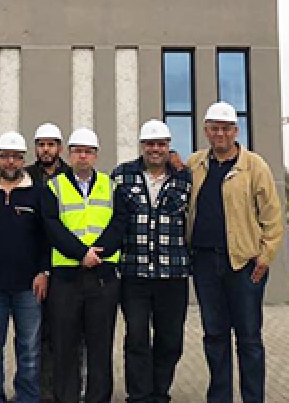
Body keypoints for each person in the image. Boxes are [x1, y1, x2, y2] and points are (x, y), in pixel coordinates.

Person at [185, 101, 283, 403]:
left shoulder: (254, 166)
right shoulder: (195, 164)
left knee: (249, 338)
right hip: (204, 262)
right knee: (214, 337)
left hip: (243, 265)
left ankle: (253, 398)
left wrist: (265, 257)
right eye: (214, 129)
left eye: (226, 129)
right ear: (206, 131)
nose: (220, 134)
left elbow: (272, 217)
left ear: (236, 131)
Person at [42, 128, 127, 403]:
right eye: (78, 151)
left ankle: (98, 398)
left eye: (88, 152)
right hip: (66, 278)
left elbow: (119, 224)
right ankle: (66, 398)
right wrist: (81, 254)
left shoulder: (111, 187)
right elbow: (51, 226)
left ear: (96, 156)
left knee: (100, 346)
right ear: (69, 154)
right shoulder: (53, 187)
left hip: (102, 277)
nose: (82, 156)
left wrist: (97, 254)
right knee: (65, 345)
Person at [111, 120, 193, 403]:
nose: (155, 149)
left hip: (173, 274)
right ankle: (139, 395)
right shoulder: (121, 176)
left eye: (160, 144)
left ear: (169, 146)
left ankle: (160, 392)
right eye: (150, 144)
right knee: (136, 337)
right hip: (134, 273)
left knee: (170, 339)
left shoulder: (185, 178)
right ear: (142, 146)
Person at [0, 132, 51, 403]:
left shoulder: (38, 193)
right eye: (5, 156)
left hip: (28, 286)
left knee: (29, 349)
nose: (10, 162)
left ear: (23, 160)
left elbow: (46, 237)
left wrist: (43, 272)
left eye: (16, 157)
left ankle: (27, 398)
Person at [24, 122, 71, 402]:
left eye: (51, 144)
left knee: (68, 333)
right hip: (33, 265)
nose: (46, 150)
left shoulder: (71, 176)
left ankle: (67, 389)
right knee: (35, 335)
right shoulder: (26, 177)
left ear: (59, 148)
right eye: (41, 144)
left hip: (66, 265)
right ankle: (39, 391)